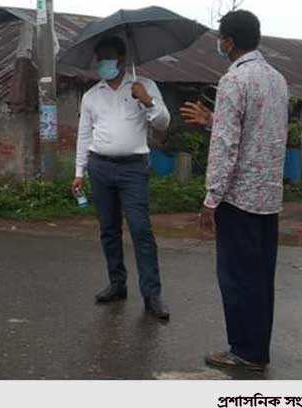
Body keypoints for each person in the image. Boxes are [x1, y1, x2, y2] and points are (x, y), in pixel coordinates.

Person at [181, 10, 288, 372]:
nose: (219, 43)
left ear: (227, 41)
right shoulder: (278, 80)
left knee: (237, 278)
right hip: (268, 198)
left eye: (220, 38)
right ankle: (258, 348)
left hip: (239, 199)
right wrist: (212, 120)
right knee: (260, 277)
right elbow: (258, 133)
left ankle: (244, 351)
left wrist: (212, 197)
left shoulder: (233, 81)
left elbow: (227, 145)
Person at [71, 36, 171, 321]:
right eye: (99, 58)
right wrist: (79, 172)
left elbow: (164, 123)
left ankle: (152, 295)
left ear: (122, 60)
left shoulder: (144, 86)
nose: (103, 63)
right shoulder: (91, 95)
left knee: (140, 229)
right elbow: (84, 135)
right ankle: (117, 284)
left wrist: (147, 101)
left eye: (108, 57)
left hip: (133, 169)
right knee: (109, 229)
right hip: (100, 167)